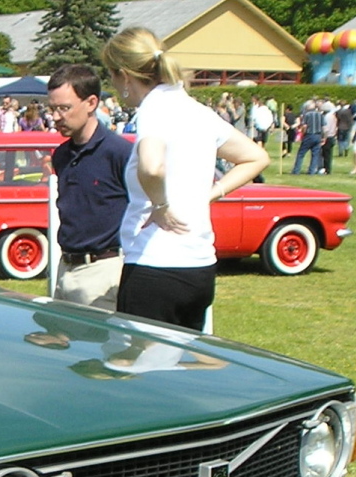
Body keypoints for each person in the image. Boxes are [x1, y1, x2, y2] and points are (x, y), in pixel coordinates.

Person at [101, 27, 269, 332]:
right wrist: (211, 193)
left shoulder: (155, 107)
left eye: (111, 75)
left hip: (155, 267)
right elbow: (255, 157)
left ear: (125, 76)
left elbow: (152, 166)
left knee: (141, 376)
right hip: (199, 267)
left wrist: (161, 204)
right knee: (182, 372)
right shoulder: (195, 109)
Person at [46, 63, 133, 311]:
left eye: (64, 108)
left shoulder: (120, 153)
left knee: (99, 349)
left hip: (103, 272)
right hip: (65, 268)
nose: (55, 117)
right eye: (52, 109)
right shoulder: (61, 155)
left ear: (91, 103)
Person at [292, 100, 325, 174]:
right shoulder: (320, 115)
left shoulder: (307, 115)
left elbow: (304, 126)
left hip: (309, 135)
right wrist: (324, 137)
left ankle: (296, 170)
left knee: (301, 154)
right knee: (315, 155)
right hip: (318, 135)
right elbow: (323, 127)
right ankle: (312, 171)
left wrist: (302, 134)